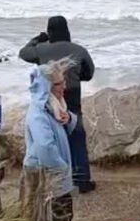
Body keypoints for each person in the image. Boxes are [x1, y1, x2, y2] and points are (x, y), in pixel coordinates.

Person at [19, 15, 96, 193]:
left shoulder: (41, 49)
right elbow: (89, 73)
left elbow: (23, 53)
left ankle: (57, 176)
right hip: (72, 97)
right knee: (76, 136)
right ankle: (82, 179)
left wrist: (38, 39)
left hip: (49, 98)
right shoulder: (79, 50)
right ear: (67, 30)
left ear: (49, 31)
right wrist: (75, 77)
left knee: (52, 138)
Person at [23, 57, 78, 221]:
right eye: (59, 84)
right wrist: (61, 168)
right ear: (46, 88)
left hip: (55, 174)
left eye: (64, 82)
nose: (64, 87)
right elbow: (45, 147)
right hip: (46, 175)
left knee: (63, 215)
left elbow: (65, 127)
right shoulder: (38, 113)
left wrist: (68, 118)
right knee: (54, 217)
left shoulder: (55, 106)